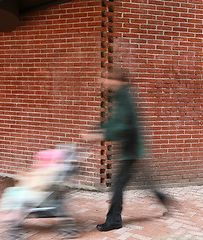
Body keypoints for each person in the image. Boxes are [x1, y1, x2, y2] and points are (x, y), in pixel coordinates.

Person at [82, 68, 176, 232]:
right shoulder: (120, 97)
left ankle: (114, 221)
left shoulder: (126, 98)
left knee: (118, 185)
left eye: (109, 79)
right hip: (131, 149)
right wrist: (95, 130)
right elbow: (112, 121)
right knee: (145, 182)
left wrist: (101, 134)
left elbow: (124, 126)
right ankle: (164, 198)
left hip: (131, 151)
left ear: (121, 82)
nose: (105, 82)